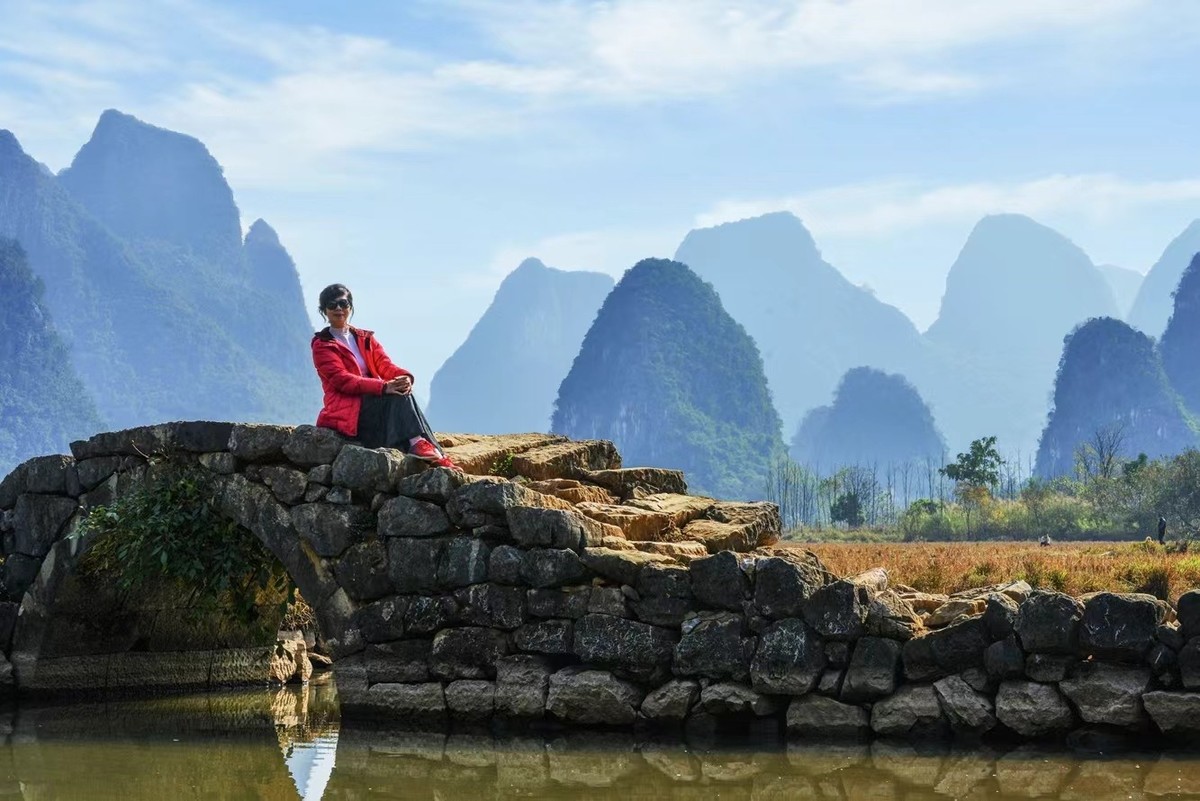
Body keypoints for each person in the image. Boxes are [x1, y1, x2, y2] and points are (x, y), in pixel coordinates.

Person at [311, 283, 457, 470]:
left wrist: (404, 378)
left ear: (350, 306)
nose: (339, 308)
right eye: (332, 305)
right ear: (323, 310)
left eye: (343, 303)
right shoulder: (322, 345)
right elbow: (342, 380)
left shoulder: (365, 339)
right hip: (348, 410)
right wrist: (383, 387)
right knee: (396, 395)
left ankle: (425, 448)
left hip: (372, 401)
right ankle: (422, 446)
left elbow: (385, 365)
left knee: (403, 390)